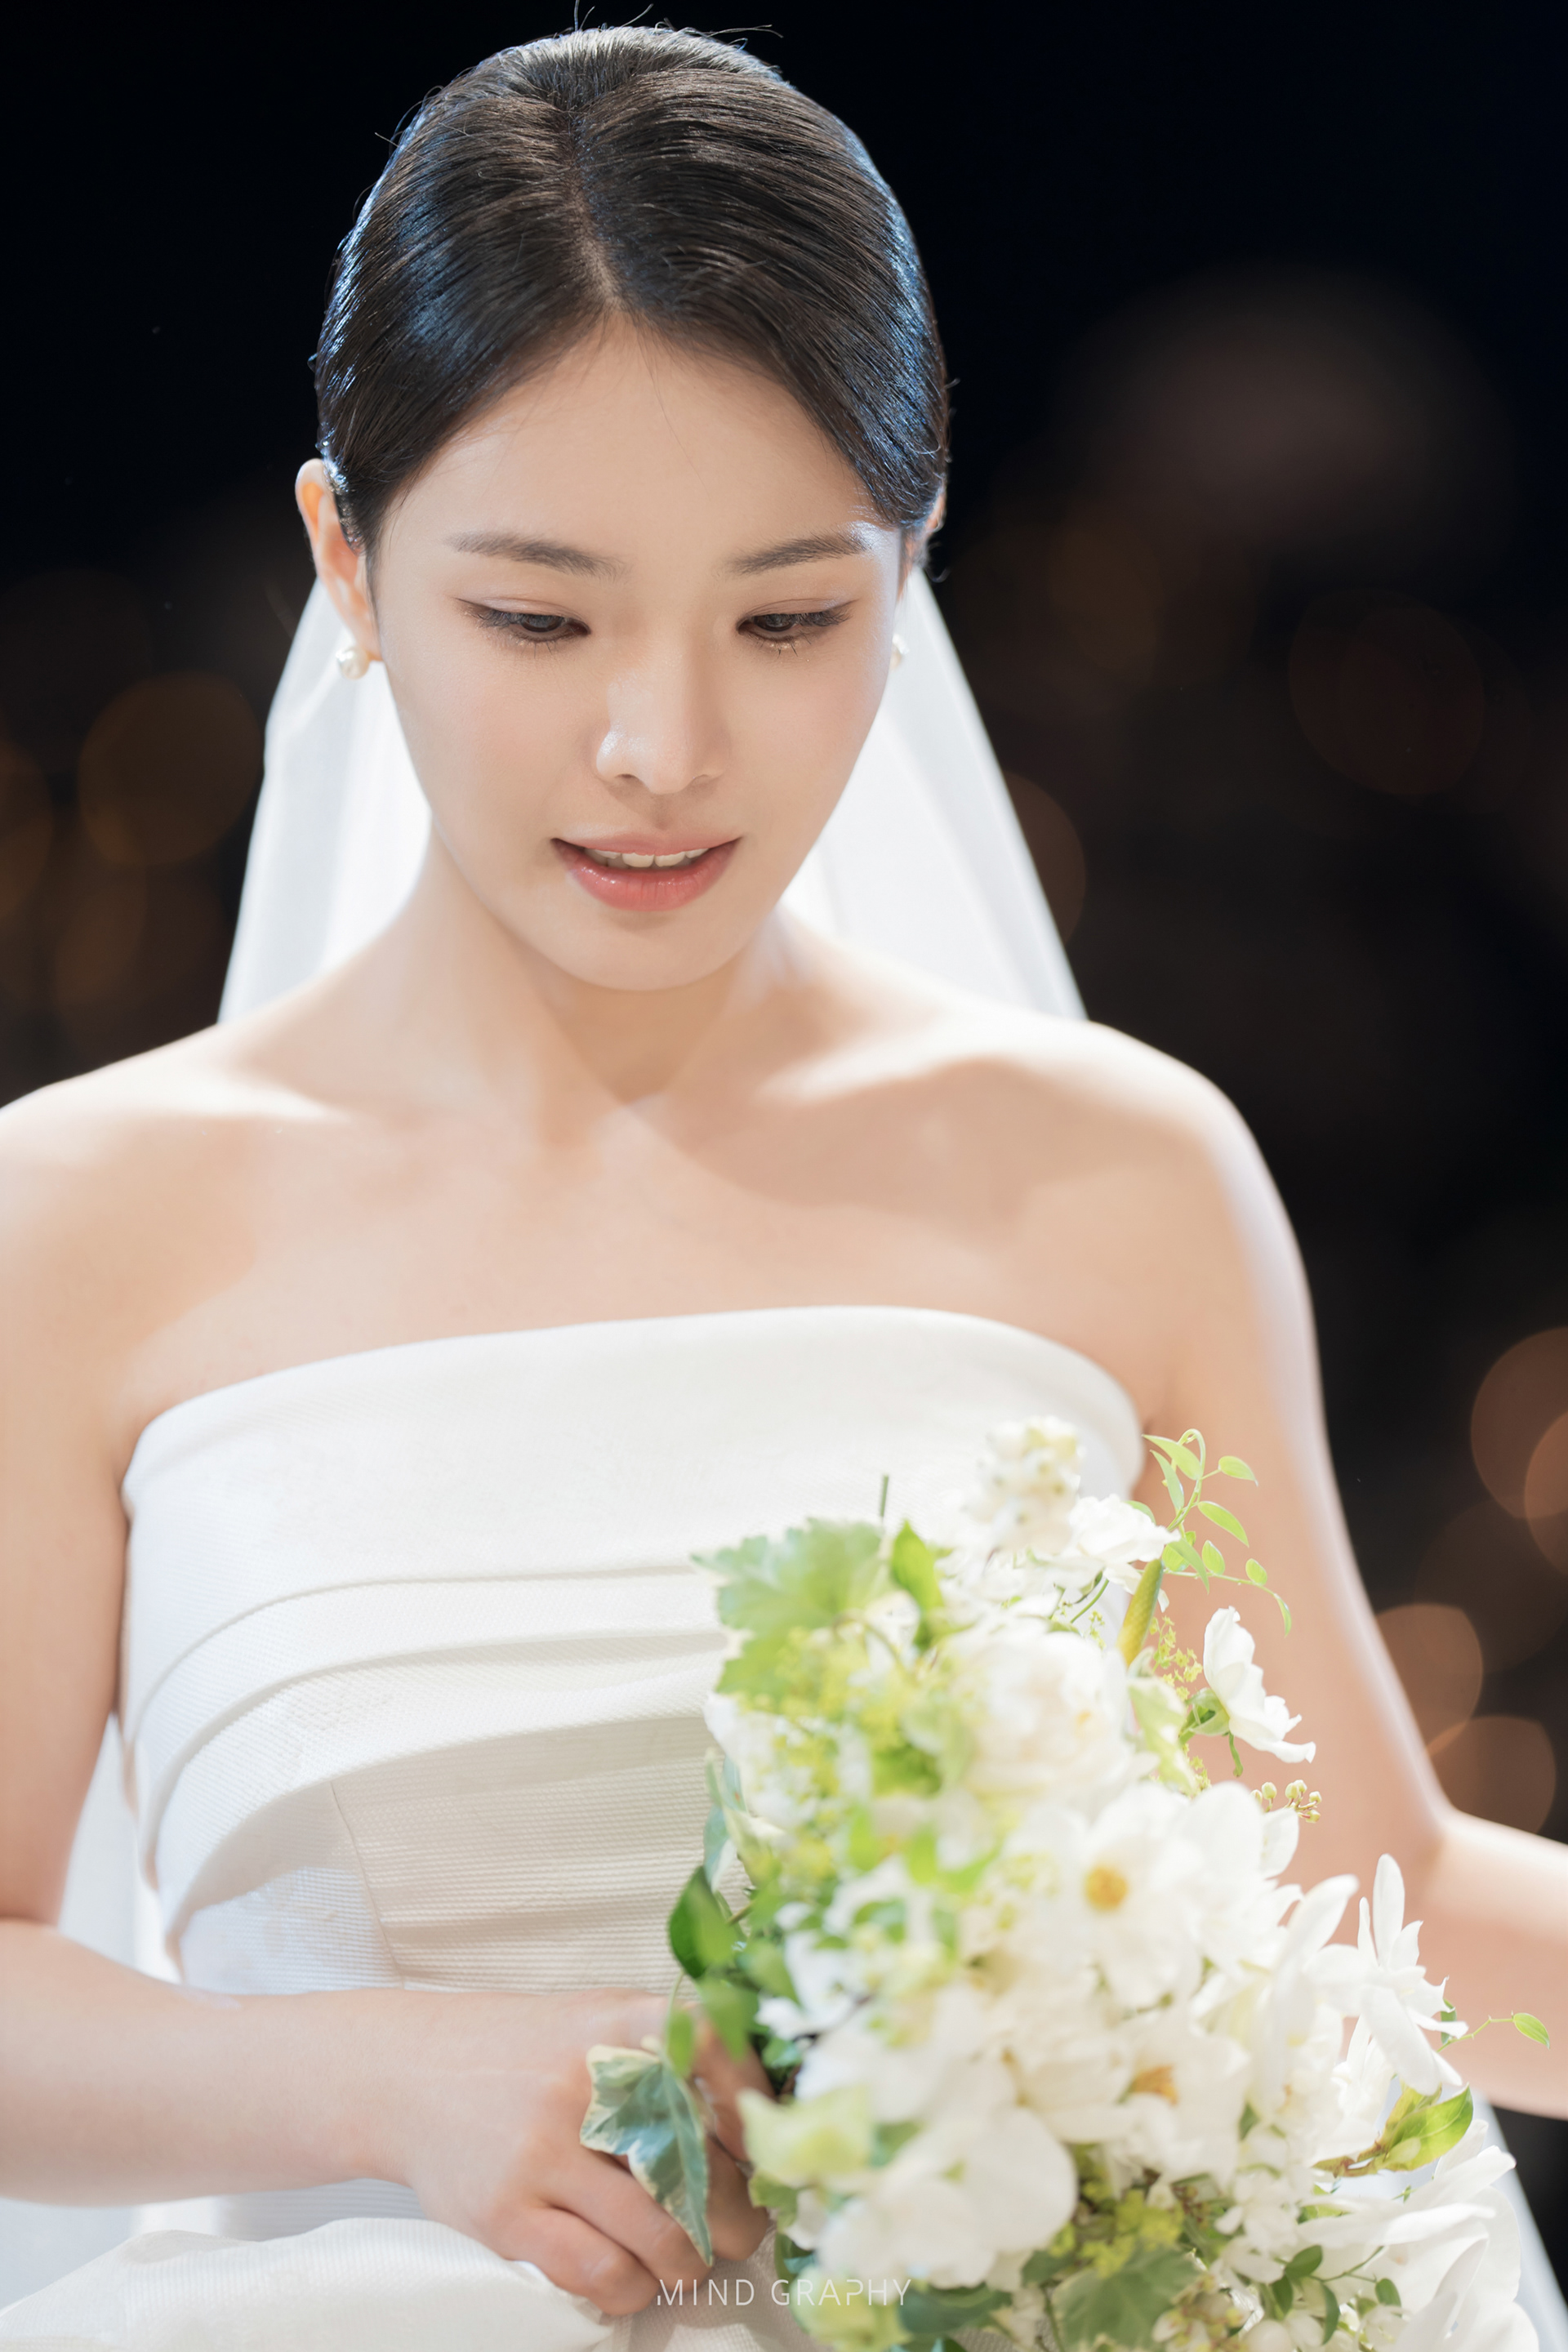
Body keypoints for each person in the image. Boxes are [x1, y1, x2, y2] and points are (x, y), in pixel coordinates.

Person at [0, 26, 1563, 2349]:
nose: (664, 746)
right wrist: (376, 2078)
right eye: (541, 619)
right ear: (347, 560)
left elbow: (1364, 1891)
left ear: (911, 574)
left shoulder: (1118, 1173)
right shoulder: (83, 1220)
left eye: (789, 619)